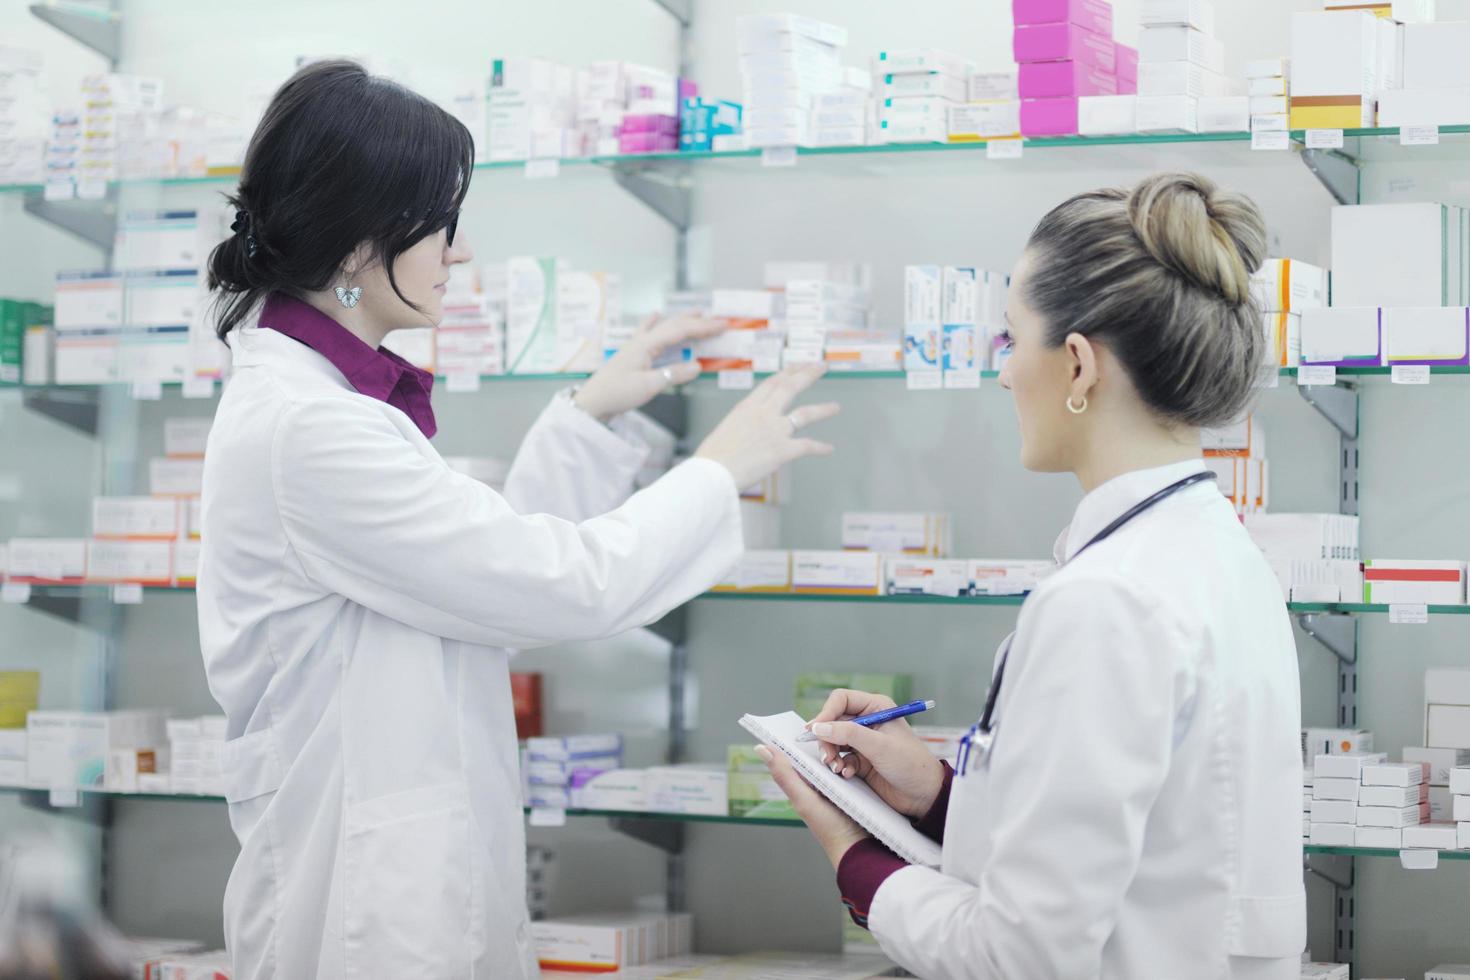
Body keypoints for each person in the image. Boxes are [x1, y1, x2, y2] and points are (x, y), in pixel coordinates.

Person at [196, 60, 838, 979]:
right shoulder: (310, 427)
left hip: (398, 869)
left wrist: (588, 416)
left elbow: (474, 575)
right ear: (353, 246)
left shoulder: (328, 403)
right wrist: (718, 470)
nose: (458, 253)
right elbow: (557, 585)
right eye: (442, 224)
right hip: (358, 906)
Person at [760, 173, 1305, 980]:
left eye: (1012, 339)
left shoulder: (1106, 601)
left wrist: (853, 856)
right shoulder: (1218, 554)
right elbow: (1138, 844)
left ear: (1079, 366)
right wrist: (936, 794)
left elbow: (1023, 954)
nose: (1005, 372)